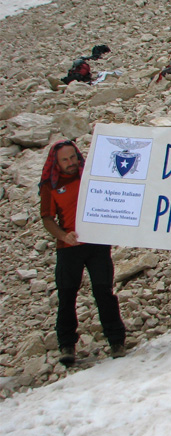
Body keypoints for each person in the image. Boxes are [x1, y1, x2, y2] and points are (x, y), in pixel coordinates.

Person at [39, 140, 126, 365]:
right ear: (56, 162)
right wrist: (62, 235)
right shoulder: (50, 185)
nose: (70, 163)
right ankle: (67, 345)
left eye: (72, 158)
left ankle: (116, 340)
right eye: (64, 160)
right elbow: (47, 218)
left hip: (97, 244)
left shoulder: (90, 175)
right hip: (69, 248)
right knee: (67, 295)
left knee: (104, 291)